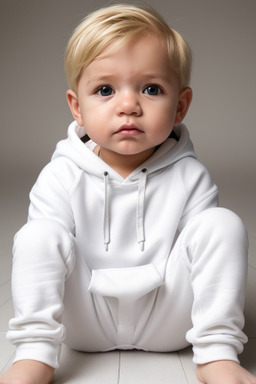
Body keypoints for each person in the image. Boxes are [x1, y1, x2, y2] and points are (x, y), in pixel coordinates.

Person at [1, 4, 255, 384]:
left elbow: (204, 259)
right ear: (77, 109)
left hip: (168, 320)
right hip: (84, 321)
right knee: (38, 235)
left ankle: (216, 354)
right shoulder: (61, 175)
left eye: (151, 89)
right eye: (105, 90)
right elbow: (40, 260)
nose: (128, 106)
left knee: (222, 225)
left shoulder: (189, 176)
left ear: (180, 106)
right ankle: (34, 355)